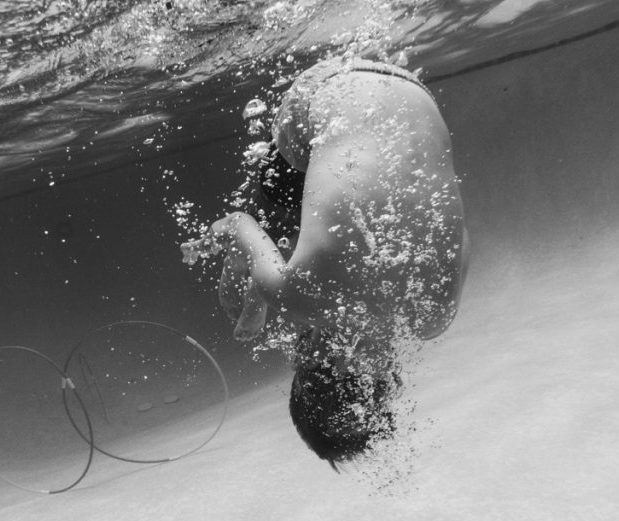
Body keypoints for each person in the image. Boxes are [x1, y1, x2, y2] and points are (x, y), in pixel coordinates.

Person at [191, 56, 469, 469]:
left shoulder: (435, 317)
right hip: (323, 90)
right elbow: (236, 222)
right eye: (300, 365)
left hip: (415, 89)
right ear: (318, 364)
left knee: (322, 219)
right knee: (273, 208)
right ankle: (254, 270)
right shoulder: (298, 298)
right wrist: (251, 286)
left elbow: (455, 232)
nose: (297, 351)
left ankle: (266, 260)